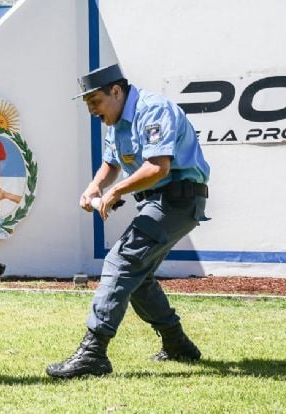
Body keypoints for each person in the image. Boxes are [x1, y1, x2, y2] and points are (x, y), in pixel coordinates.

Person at [46, 64, 211, 379]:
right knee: (138, 276)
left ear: (116, 91)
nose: (92, 110)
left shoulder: (154, 110)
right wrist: (96, 187)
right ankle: (177, 344)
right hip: (159, 201)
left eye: (95, 101)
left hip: (180, 200)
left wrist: (116, 191)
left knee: (121, 262)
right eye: (87, 104)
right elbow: (111, 163)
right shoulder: (116, 122)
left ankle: (93, 353)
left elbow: (158, 168)